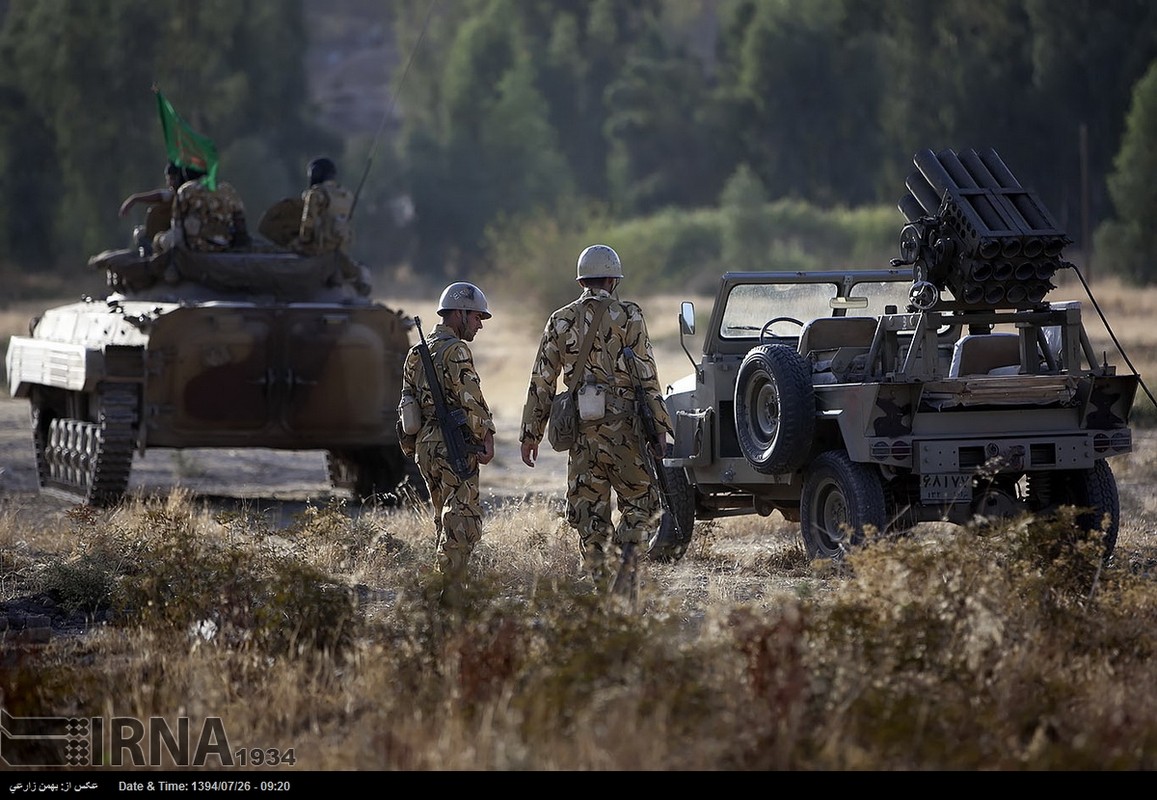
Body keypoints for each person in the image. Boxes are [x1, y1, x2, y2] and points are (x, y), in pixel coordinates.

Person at [519, 244, 673, 597]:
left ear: (581, 280)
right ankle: (627, 561)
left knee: (589, 515)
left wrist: (531, 434)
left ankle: (604, 590)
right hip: (625, 432)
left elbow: (542, 379)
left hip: (582, 435)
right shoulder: (630, 315)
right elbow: (647, 376)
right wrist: (660, 429)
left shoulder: (559, 319)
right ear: (612, 279)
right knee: (641, 502)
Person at [399, 281, 497, 605]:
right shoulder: (456, 350)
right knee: (463, 519)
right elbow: (470, 397)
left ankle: (442, 583)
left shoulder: (417, 353)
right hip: (452, 443)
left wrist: (413, 448)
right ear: (458, 314)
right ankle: (449, 591)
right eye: (476, 317)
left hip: (425, 446)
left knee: (443, 517)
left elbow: (406, 404)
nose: (480, 325)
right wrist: (487, 435)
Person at [171, 166, 250, 252]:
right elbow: (240, 219)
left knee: (161, 241)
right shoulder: (226, 188)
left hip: (196, 246)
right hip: (225, 245)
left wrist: (180, 253)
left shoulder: (186, 190)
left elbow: (177, 225)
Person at [292, 157, 355, 256]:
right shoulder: (346, 195)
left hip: (319, 250)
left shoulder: (316, 194)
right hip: (340, 251)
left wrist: (301, 243)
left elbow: (307, 225)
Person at [119, 162, 183, 255]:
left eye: (173, 179)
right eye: (169, 179)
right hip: (165, 231)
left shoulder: (185, 194)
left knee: (165, 241)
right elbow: (159, 195)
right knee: (139, 233)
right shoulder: (171, 195)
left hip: (180, 233)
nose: (171, 183)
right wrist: (134, 199)